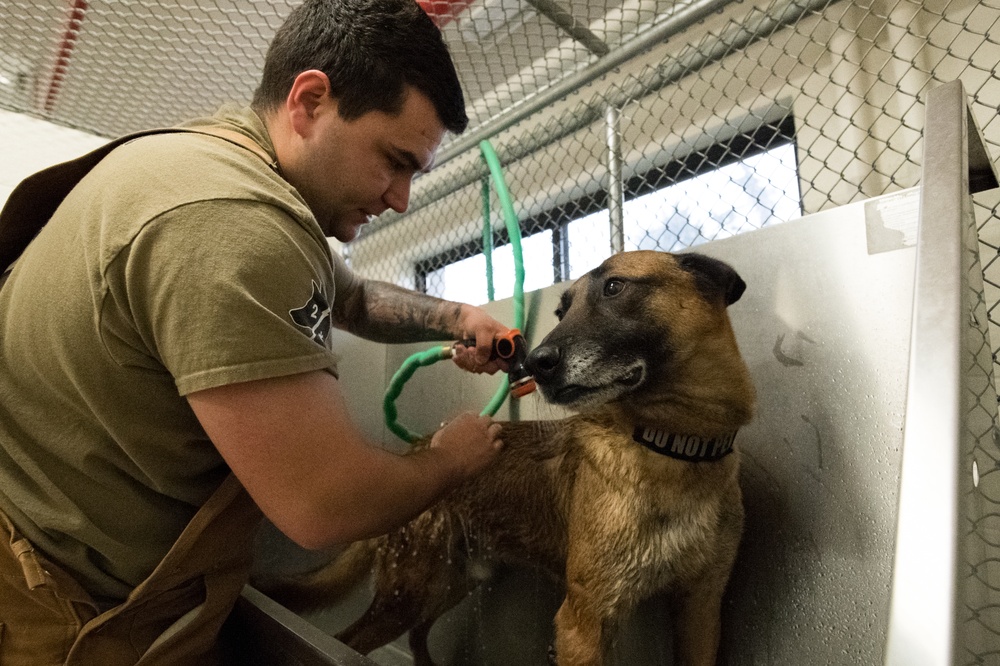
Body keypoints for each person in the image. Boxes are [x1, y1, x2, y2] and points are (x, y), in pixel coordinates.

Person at [0, 0, 509, 663]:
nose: (400, 198)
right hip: (54, 606)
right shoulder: (237, 224)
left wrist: (457, 317)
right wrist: (453, 458)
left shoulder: (213, 159)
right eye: (394, 159)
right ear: (310, 101)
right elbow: (325, 505)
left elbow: (349, 296)